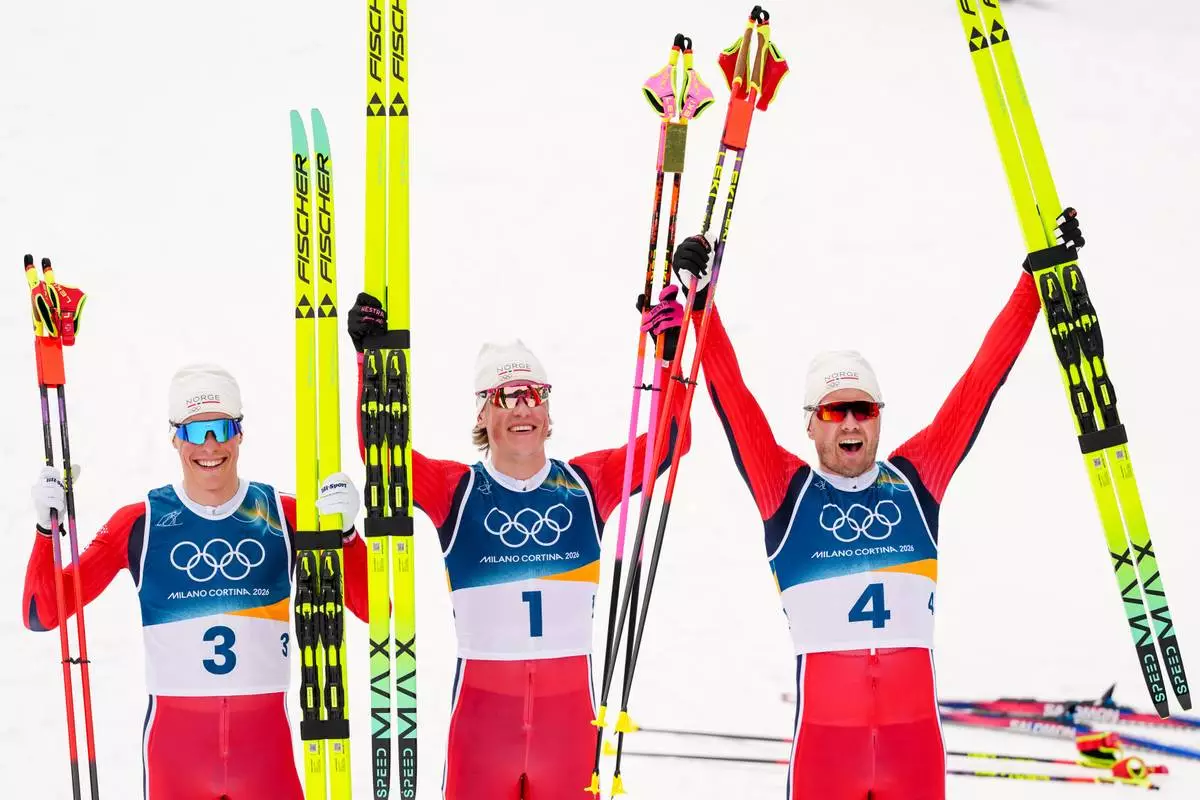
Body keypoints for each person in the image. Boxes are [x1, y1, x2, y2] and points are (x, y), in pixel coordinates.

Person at [671, 211, 1083, 800]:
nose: (851, 423)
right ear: (811, 426)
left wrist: (1035, 283)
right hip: (825, 757)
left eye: (864, 409)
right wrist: (700, 301)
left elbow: (979, 382)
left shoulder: (917, 480)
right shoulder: (785, 492)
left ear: (880, 419)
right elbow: (732, 396)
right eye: (835, 411)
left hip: (913, 752)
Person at [347, 287, 691, 800]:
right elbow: (385, 456)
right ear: (484, 415)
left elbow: (669, 442)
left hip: (569, 728)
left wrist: (669, 357)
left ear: (549, 414)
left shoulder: (586, 484)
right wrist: (371, 363)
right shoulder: (456, 491)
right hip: (483, 729)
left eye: (535, 395)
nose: (523, 407)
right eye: (507, 397)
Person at [22, 364, 369, 800]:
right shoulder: (140, 523)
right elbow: (42, 612)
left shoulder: (285, 514)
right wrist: (43, 530)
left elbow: (375, 609)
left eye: (222, 428)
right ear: (174, 437)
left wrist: (349, 535)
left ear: (240, 433)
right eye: (194, 431)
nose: (210, 445)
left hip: (266, 760)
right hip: (176, 761)